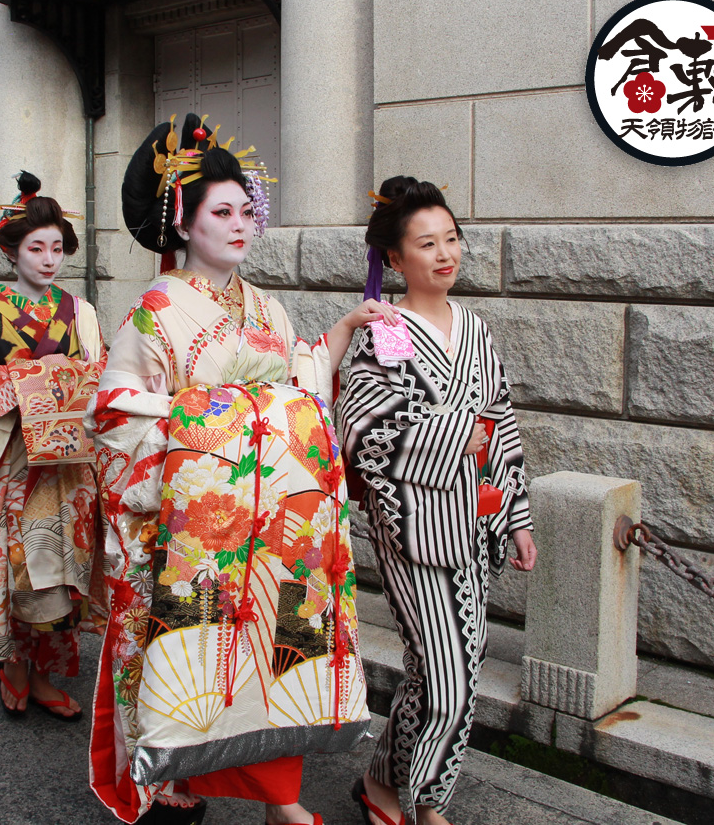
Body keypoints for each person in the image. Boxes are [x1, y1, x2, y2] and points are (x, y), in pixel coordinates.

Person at [86, 115, 381, 825]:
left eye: (247, 211)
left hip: (269, 522)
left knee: (277, 641)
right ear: (182, 223)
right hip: (193, 524)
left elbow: (301, 387)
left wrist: (342, 332)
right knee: (190, 646)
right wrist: (220, 425)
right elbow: (116, 412)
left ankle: (280, 797)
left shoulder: (267, 309)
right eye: (222, 212)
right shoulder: (155, 313)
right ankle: (165, 781)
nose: (240, 224)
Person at [338, 177, 537, 825]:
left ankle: (385, 784)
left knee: (452, 671)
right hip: (413, 527)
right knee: (448, 681)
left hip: (472, 524)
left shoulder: (475, 329)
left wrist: (517, 517)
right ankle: (420, 799)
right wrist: (455, 433)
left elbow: (501, 421)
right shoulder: (388, 331)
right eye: (427, 243)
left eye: (451, 238)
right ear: (396, 259)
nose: (445, 253)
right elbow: (363, 433)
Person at [0, 173, 108, 721]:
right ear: (12, 250)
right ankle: (14, 663)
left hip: (67, 464)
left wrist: (72, 387)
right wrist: (21, 388)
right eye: (36, 248)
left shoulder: (80, 311)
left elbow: (98, 375)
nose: (48, 259)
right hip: (15, 458)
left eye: (57, 248)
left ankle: (45, 672)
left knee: (64, 567)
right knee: (20, 566)